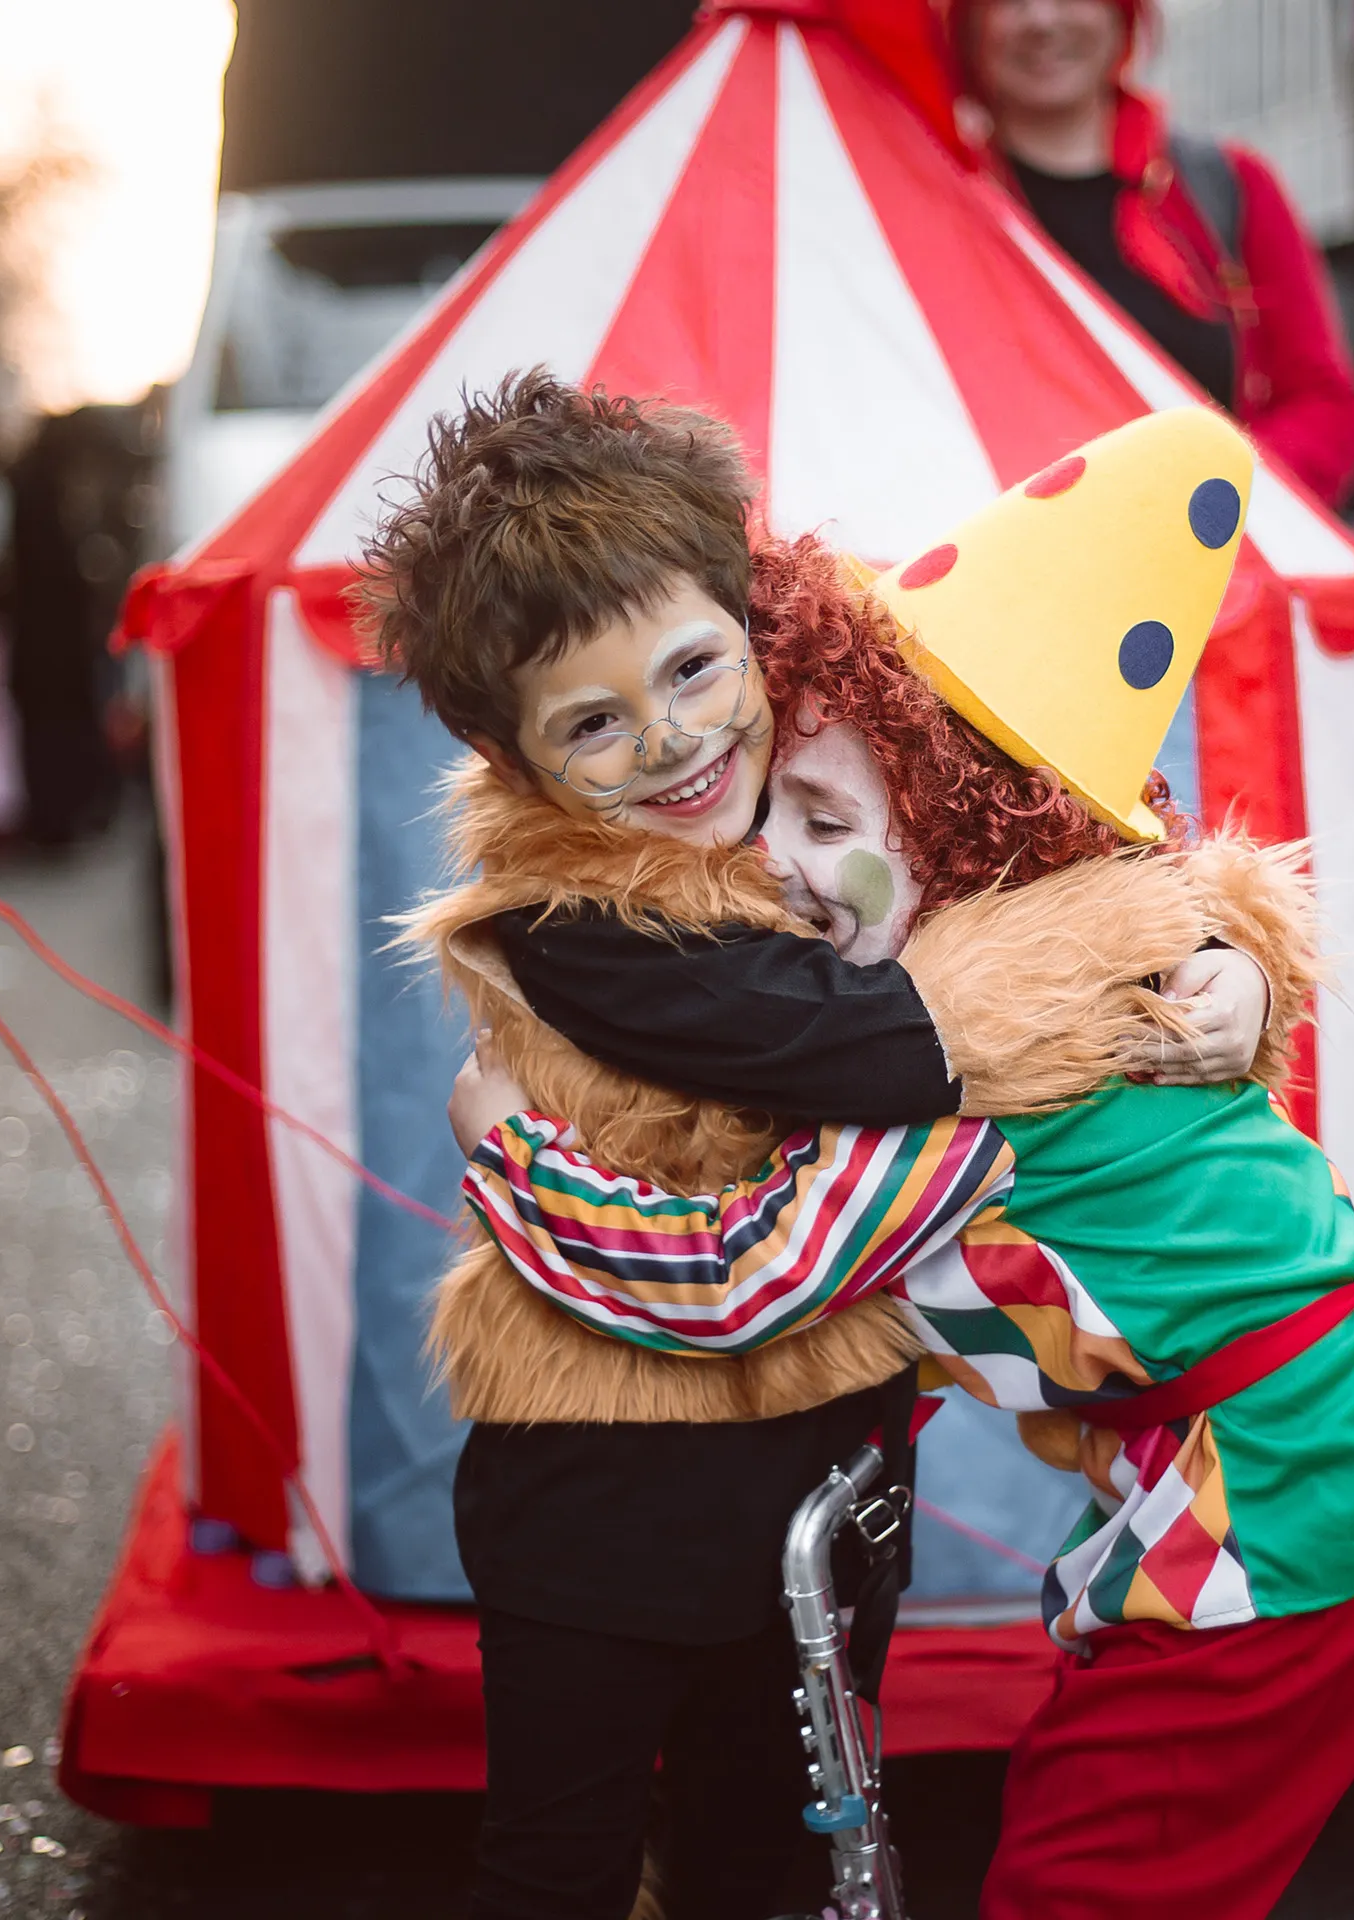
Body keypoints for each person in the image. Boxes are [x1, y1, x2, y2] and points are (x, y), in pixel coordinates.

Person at [447, 501, 1354, 1920]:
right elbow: (1165, 906)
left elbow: (734, 1281)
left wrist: (514, 1153)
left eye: (827, 822)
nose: (777, 864)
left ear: (962, 838)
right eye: (775, 816)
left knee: (1088, 1884)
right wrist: (1233, 953)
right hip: (1340, 1480)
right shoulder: (1041, 957)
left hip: (1282, 1522)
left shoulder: (950, 1084)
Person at [362, 374, 1278, 1920]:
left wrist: (1227, 954)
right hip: (605, 1504)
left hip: (831, 1484)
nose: (672, 743)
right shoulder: (579, 925)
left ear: (749, 624)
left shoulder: (815, 774)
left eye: (693, 668)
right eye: (593, 723)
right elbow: (898, 1038)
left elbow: (1031, 845)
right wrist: (1142, 949)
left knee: (769, 1856)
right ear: (515, 759)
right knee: (561, 1869)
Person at [949, 0, 1354, 503]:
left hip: (1216, 538)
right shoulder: (940, 206)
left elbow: (1323, 405)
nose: (1042, 20)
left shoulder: (1230, 186)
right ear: (969, 24)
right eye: (1007, 1)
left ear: (1121, 14)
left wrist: (1221, 496)